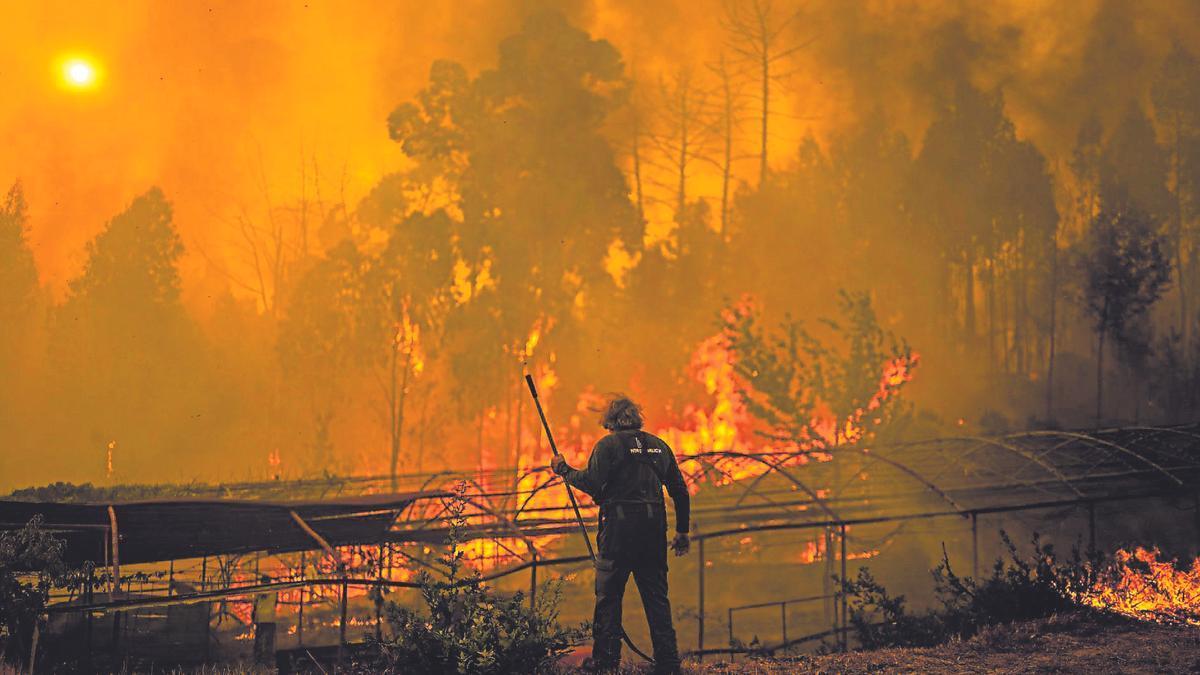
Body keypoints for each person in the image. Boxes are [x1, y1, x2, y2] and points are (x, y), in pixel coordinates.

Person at [552, 396, 691, 675]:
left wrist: (564, 470)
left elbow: (592, 483)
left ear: (610, 421)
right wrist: (682, 531)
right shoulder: (659, 446)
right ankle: (668, 663)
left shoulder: (608, 445)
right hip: (653, 531)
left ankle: (606, 663)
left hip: (619, 530)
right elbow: (679, 491)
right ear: (636, 417)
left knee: (609, 596)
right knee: (657, 598)